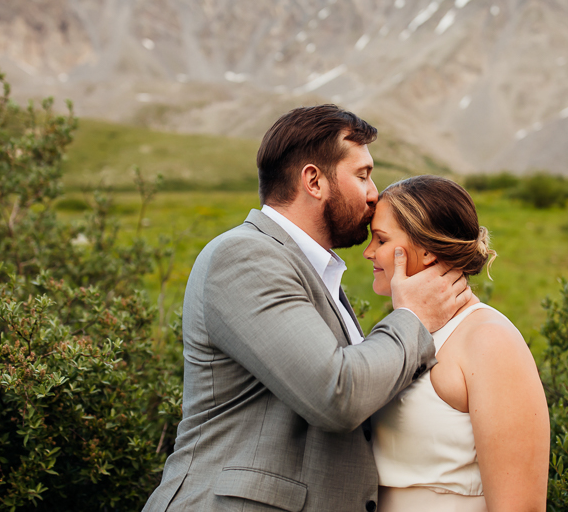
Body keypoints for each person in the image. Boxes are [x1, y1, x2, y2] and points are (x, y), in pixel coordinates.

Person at [142, 105, 472, 512]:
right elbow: (336, 395)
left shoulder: (312, 272)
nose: (375, 193)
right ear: (314, 181)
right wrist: (414, 318)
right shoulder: (245, 257)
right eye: (363, 175)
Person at [364, 175, 550, 512]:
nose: (368, 252)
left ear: (428, 251)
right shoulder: (396, 333)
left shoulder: (489, 339)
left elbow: (520, 506)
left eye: (380, 239)